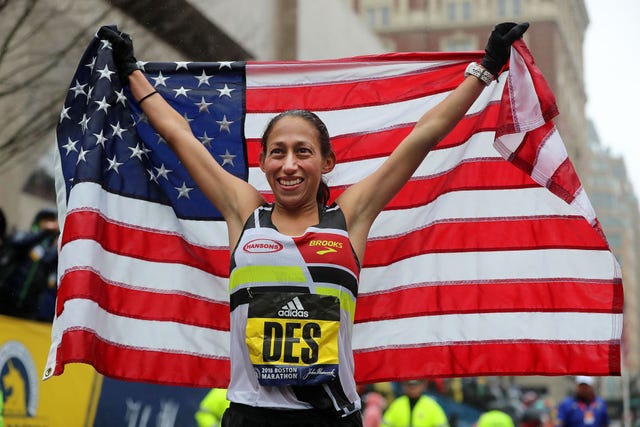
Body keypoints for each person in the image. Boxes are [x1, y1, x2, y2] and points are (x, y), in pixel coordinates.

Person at [98, 20, 528, 427]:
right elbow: (179, 135)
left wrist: (486, 68)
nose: (289, 164)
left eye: (303, 152)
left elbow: (423, 136)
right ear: (263, 162)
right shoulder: (244, 211)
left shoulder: (350, 217)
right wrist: (132, 71)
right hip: (251, 414)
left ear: (326, 163)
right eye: (278, 152)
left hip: (331, 417)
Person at [0, 208, 59, 320]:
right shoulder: (23, 236)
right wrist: (44, 231)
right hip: (7, 298)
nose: (50, 224)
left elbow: (48, 259)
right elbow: (19, 243)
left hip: (29, 306)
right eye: (46, 221)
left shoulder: (48, 248)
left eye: (52, 221)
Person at [381, 380, 449, 427]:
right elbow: (385, 424)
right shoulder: (397, 404)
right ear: (404, 385)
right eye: (409, 384)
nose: (412, 388)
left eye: (416, 384)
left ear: (423, 385)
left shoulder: (431, 405)